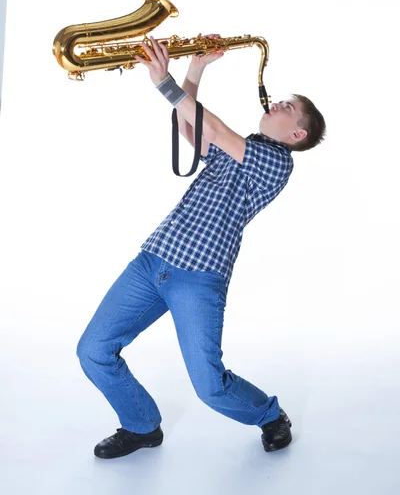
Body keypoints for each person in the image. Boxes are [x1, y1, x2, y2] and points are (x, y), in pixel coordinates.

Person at [76, 34, 326, 459]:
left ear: (297, 133)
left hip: (199, 279)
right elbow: (190, 127)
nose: (278, 105)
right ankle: (141, 427)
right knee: (93, 350)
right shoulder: (242, 146)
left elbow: (212, 126)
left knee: (210, 386)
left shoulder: (276, 161)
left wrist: (164, 80)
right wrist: (194, 70)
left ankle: (269, 414)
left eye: (288, 108)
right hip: (154, 260)